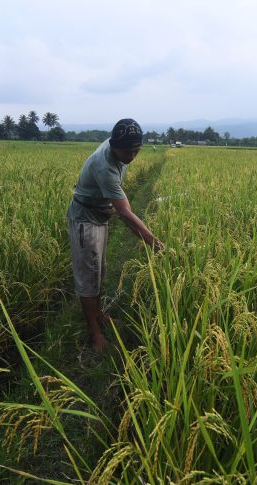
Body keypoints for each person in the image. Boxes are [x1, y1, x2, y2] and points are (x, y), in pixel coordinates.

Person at [66, 118, 163, 352]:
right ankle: (94, 332)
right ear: (113, 145)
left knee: (99, 270)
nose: (132, 157)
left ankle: (98, 314)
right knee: (88, 276)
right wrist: (155, 243)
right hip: (84, 221)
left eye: (136, 151)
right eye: (128, 152)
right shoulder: (105, 165)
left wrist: (107, 205)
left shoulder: (120, 150)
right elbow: (126, 214)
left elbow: (118, 202)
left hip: (98, 215)